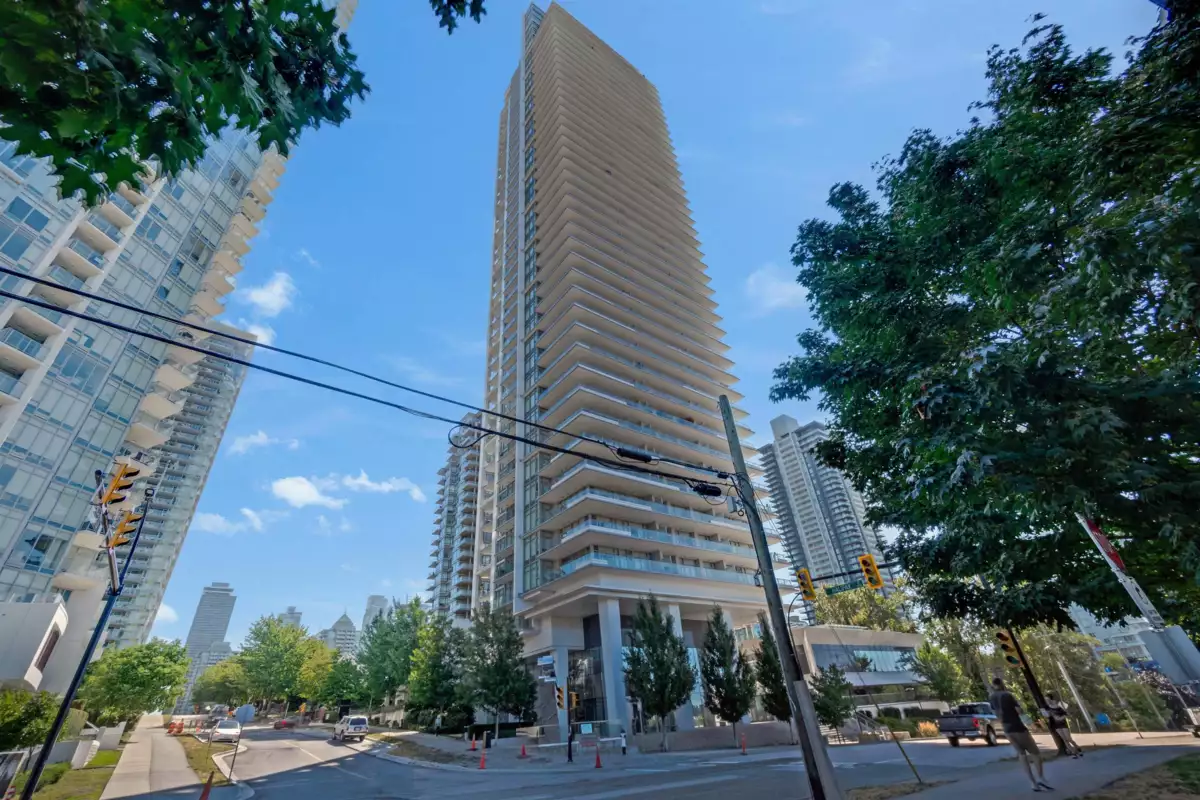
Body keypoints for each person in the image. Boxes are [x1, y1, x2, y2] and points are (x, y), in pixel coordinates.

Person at [989, 678, 1054, 792]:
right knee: (1035, 752)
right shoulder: (1007, 695)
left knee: (1022, 755)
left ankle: (1032, 783)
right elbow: (1019, 711)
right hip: (1017, 726)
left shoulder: (992, 698)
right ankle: (1041, 778)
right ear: (1002, 684)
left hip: (1007, 728)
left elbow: (996, 713)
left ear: (993, 686)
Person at [1044, 691, 1083, 758]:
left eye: (1047, 699)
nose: (1047, 701)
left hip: (1063, 722)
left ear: (1051, 699)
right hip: (1056, 724)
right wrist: (1046, 714)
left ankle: (1077, 747)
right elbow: (1048, 716)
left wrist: (1063, 717)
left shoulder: (1060, 703)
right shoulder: (1047, 707)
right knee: (1064, 739)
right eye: (1045, 700)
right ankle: (1073, 752)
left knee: (1068, 738)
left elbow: (1069, 712)